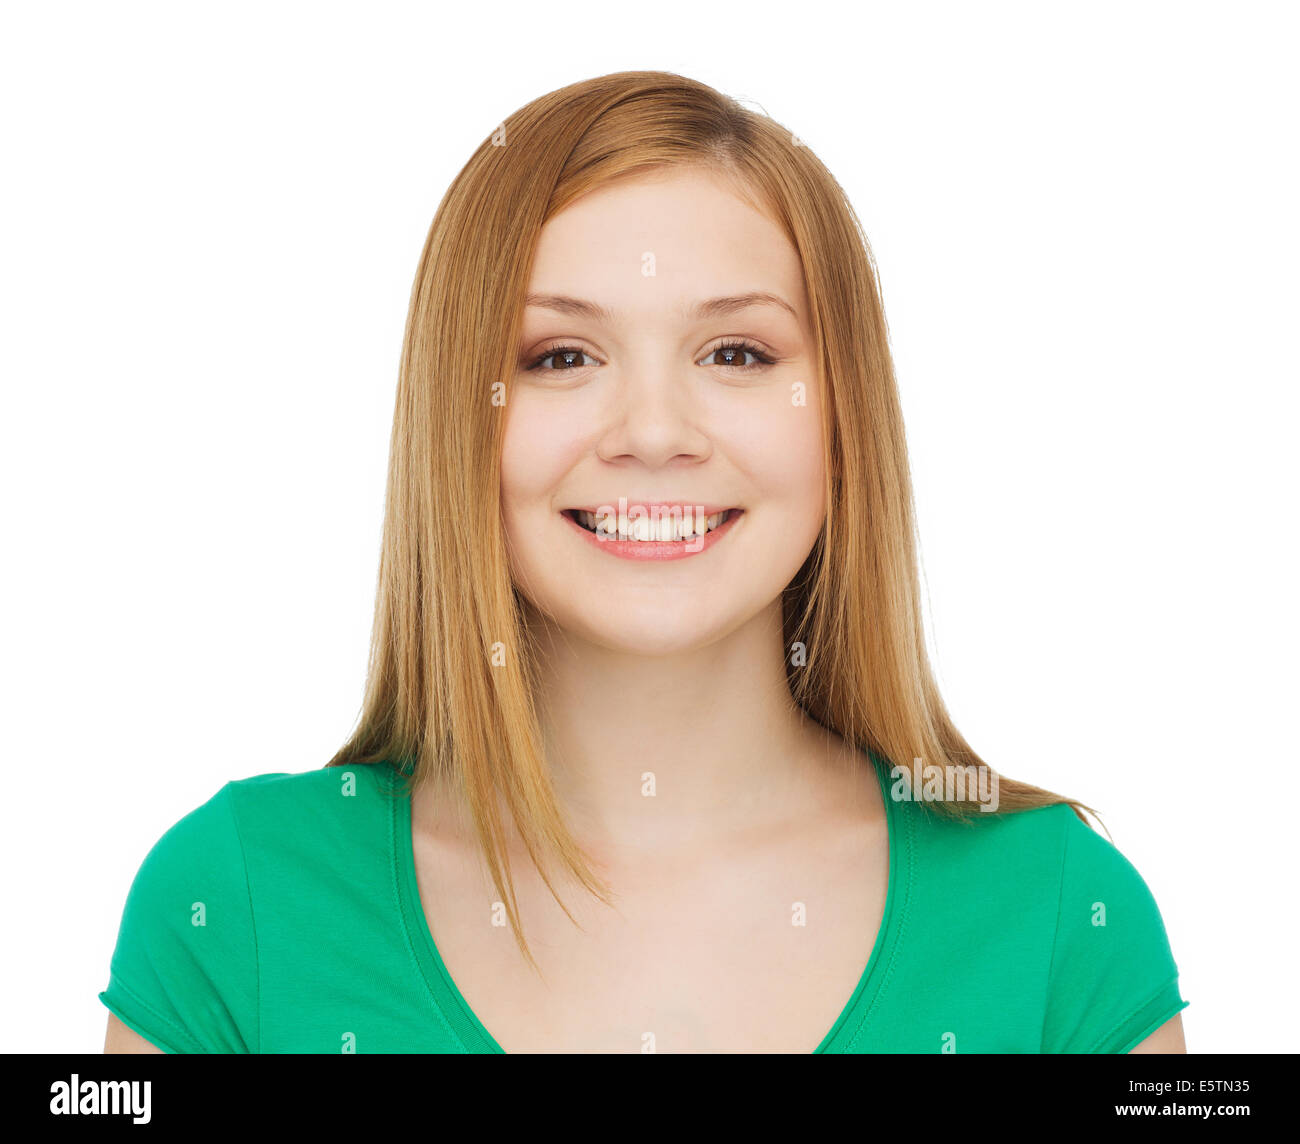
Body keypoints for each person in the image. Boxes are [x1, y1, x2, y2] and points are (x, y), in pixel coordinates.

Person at [102, 70, 1187, 1054]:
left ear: (841, 418)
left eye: (735, 353)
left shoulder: (1059, 918)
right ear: (459, 421)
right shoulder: (236, 905)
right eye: (561, 356)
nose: (654, 430)